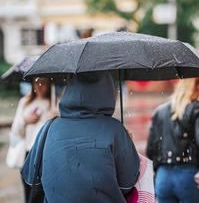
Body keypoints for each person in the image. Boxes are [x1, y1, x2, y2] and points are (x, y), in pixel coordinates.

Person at [21, 72, 140, 203]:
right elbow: (127, 184)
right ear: (107, 92)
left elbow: (31, 178)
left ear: (70, 89)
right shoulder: (115, 130)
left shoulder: (49, 127)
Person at [146, 78, 199, 203]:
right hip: (189, 174)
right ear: (198, 86)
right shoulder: (198, 108)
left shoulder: (160, 111)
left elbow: (151, 149)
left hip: (163, 176)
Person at [10, 77, 54, 201]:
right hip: (28, 153)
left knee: (43, 192)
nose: (39, 86)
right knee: (29, 192)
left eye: (44, 83)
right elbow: (15, 130)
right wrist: (25, 120)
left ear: (49, 85)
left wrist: (56, 117)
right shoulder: (25, 102)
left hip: (46, 154)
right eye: (36, 82)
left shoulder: (54, 104)